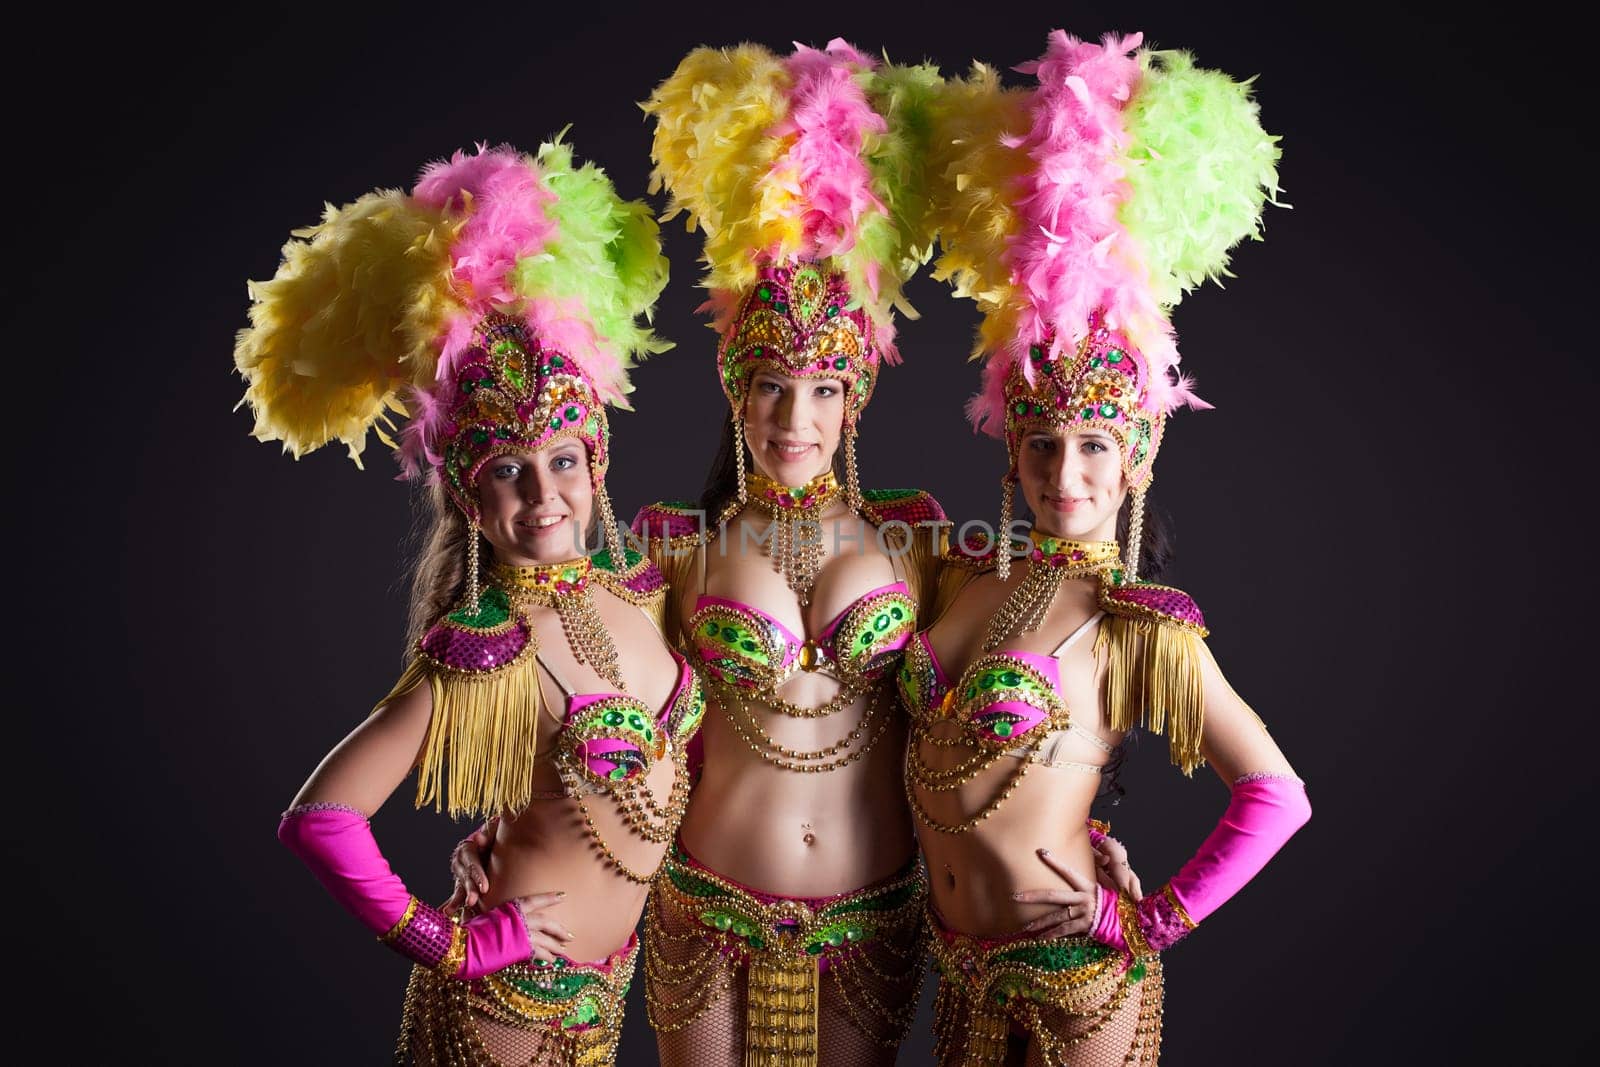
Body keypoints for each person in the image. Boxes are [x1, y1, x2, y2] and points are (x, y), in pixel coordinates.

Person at [238, 139, 698, 1066]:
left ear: (596, 462)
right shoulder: (480, 649)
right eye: (508, 473)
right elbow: (321, 819)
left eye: (563, 461)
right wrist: (447, 941)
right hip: (503, 1009)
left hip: (605, 996)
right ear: (468, 497)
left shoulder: (642, 592)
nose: (543, 497)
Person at [900, 32, 1310, 1064]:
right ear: (1011, 446)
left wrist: (1149, 920)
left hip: (1076, 982)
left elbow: (1276, 793)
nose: (1064, 472)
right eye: (1041, 443)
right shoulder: (958, 572)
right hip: (955, 968)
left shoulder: (1134, 625)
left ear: (1137, 455)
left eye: (1092, 446)